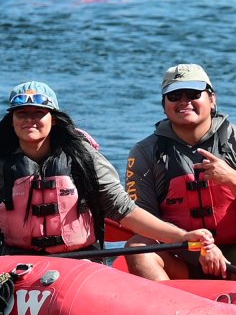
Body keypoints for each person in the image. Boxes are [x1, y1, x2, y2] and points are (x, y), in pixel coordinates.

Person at [0, 81, 214, 257]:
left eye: (39, 113)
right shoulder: (3, 161)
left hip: (79, 260)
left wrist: (181, 237)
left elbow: (122, 209)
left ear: (53, 119)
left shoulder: (83, 157)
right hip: (16, 260)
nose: (30, 119)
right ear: (12, 120)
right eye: (22, 113)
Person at [124, 63, 236, 281]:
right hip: (180, 252)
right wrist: (201, 247)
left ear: (212, 99)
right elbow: (142, 222)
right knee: (138, 247)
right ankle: (167, 307)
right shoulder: (145, 153)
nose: (183, 101)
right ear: (164, 105)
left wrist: (232, 179)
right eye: (174, 96)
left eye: (193, 94)